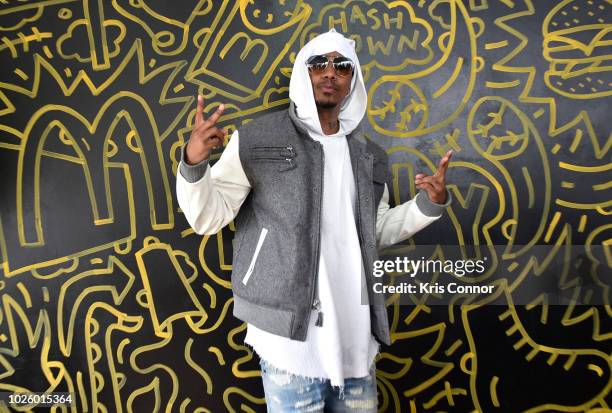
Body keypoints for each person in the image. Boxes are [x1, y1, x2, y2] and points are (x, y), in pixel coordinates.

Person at [176, 29, 452, 412]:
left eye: (342, 65)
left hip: (357, 346)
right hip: (289, 346)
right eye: (318, 63)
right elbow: (208, 217)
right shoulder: (256, 139)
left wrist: (428, 205)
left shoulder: (368, 154)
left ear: (352, 80)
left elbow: (373, 232)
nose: (330, 72)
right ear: (301, 74)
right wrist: (194, 162)